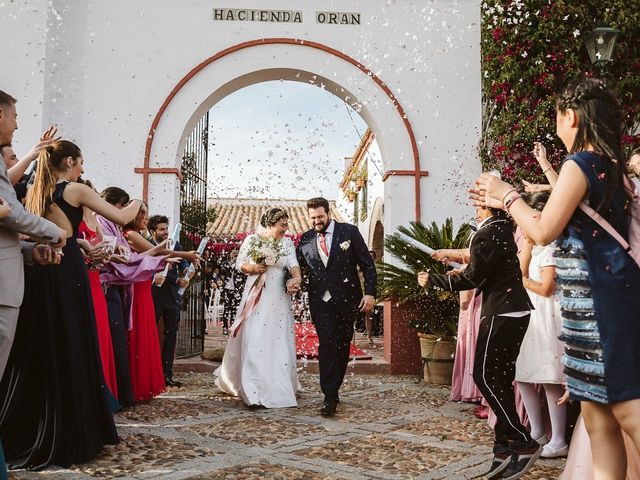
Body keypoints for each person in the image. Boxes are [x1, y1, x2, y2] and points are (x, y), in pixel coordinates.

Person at [472, 75, 640, 480]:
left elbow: (543, 229)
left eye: (558, 116)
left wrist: (506, 194)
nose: (557, 125)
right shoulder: (610, 167)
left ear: (573, 116)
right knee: (599, 418)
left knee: (624, 411)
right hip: (591, 308)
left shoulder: (580, 164)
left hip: (600, 307)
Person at [0, 139, 145, 469]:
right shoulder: (75, 190)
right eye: (80, 162)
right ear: (68, 162)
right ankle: (73, 430)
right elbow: (122, 217)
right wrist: (137, 199)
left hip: (45, 268)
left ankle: (38, 422)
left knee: (48, 344)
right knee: (73, 344)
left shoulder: (38, 191)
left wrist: (78, 243)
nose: (83, 168)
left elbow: (54, 231)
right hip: (67, 272)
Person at [418, 203, 539, 480]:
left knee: (484, 375)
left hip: (502, 310)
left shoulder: (488, 232)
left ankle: (522, 440)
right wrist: (461, 274)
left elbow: (473, 278)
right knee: (499, 377)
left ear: (487, 207)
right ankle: (503, 449)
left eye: (478, 205)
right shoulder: (502, 229)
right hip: (511, 309)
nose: (475, 209)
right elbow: (485, 271)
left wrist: (432, 281)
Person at [296, 197, 376, 417]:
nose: (316, 221)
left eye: (320, 216)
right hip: (320, 301)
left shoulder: (348, 232)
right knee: (327, 344)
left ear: (328, 213)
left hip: (348, 300)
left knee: (342, 346)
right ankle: (329, 395)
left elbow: (367, 265)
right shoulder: (305, 239)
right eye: (312, 217)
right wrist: (290, 281)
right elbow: (298, 269)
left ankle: (334, 387)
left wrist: (370, 293)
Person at [215, 208, 302, 408]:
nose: (286, 229)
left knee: (278, 339)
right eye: (282, 225)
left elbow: (293, 264)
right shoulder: (252, 240)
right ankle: (253, 390)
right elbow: (240, 265)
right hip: (256, 295)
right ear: (271, 224)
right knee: (255, 336)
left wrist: (297, 278)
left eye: (287, 225)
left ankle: (279, 385)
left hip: (278, 297)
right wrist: (253, 268)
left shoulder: (287, 243)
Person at [97, 188, 166, 406]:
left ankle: (125, 392)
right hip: (112, 287)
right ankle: (122, 393)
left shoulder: (115, 229)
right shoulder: (114, 227)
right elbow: (125, 260)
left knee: (118, 341)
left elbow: (130, 258)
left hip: (122, 288)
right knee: (117, 340)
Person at [514, 192, 567, 458]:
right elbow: (518, 272)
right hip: (532, 319)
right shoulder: (534, 247)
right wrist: (527, 247)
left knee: (550, 379)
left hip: (548, 317)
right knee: (523, 375)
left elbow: (547, 288)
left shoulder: (552, 248)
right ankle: (537, 432)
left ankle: (559, 439)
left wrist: (524, 282)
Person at [77, 178, 119, 402]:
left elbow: (104, 249)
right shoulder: (72, 218)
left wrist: (105, 254)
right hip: (80, 276)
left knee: (101, 332)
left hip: (95, 277)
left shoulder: (96, 220)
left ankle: (103, 392)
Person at [122, 203, 167, 402]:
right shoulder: (131, 234)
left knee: (147, 333)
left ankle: (143, 384)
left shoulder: (133, 234)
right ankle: (137, 384)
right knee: (138, 334)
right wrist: (187, 255)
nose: (146, 219)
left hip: (144, 289)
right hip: (137, 291)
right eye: (143, 215)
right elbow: (157, 253)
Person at [147, 214, 197, 388]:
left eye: (166, 229)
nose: (165, 232)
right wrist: (175, 280)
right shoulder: (147, 245)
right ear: (152, 231)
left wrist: (186, 272)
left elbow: (183, 263)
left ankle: (166, 375)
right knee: (150, 334)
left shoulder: (175, 244)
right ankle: (149, 373)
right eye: (161, 229)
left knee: (171, 336)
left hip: (172, 297)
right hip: (154, 295)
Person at [221, 248, 244, 335]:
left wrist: (236, 262)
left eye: (236, 253)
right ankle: (225, 327)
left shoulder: (240, 264)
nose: (235, 255)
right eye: (233, 253)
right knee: (226, 308)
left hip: (237, 289)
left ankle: (233, 326)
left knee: (235, 308)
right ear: (230, 254)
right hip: (227, 289)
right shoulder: (225, 264)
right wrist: (232, 263)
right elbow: (224, 271)